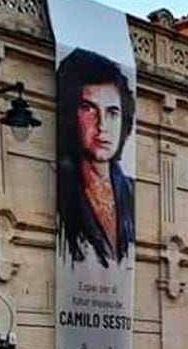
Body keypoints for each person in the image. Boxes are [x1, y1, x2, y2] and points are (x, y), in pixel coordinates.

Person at [57, 48, 135, 267]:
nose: (102, 125)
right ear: (71, 115)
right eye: (89, 109)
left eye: (112, 112)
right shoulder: (60, 190)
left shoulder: (132, 193)